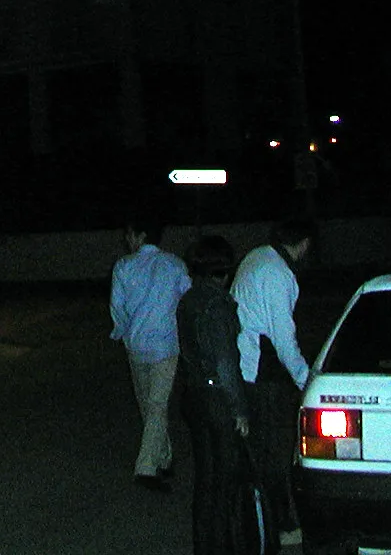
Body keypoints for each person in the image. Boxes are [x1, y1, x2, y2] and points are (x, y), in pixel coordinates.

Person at [233, 218, 316, 551]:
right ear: (304, 242)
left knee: (259, 450)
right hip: (262, 372)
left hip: (247, 368)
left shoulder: (257, 257)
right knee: (274, 453)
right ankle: (280, 524)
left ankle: (260, 520)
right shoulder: (278, 273)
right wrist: (307, 382)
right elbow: (284, 338)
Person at [179, 235, 252, 555]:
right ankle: (224, 545)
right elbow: (226, 363)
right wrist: (240, 410)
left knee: (206, 478)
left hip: (193, 392)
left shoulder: (189, 300)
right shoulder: (217, 305)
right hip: (215, 397)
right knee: (225, 477)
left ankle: (205, 545)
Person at [110, 216, 190, 490]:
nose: (127, 240)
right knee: (155, 406)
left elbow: (117, 308)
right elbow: (187, 300)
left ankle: (147, 466)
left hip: (136, 345)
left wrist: (121, 332)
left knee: (150, 405)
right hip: (165, 347)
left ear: (140, 235)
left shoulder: (123, 267)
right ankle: (163, 456)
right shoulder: (174, 265)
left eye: (129, 234)